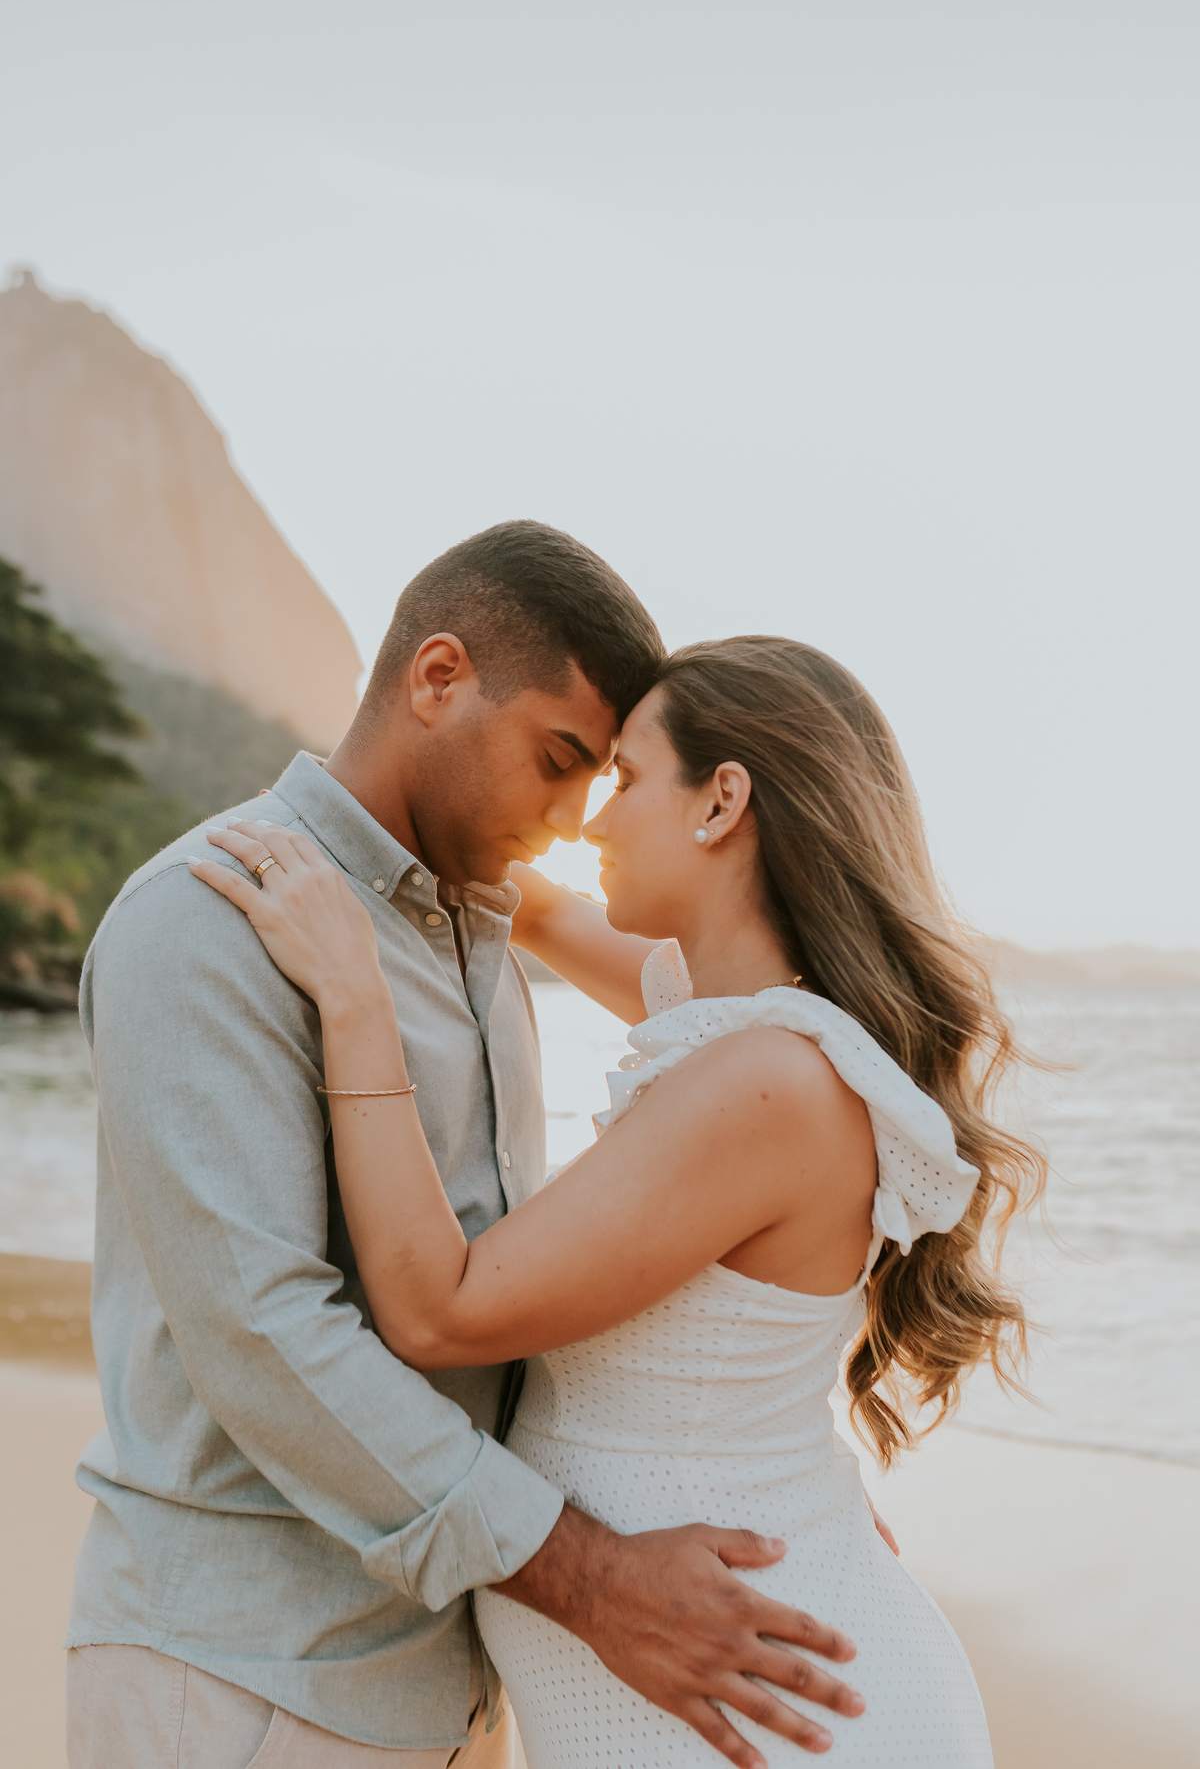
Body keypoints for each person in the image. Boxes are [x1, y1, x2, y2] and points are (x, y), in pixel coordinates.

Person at [66, 524, 866, 1769]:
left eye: (597, 782)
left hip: (456, 1689)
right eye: (557, 760)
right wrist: (592, 1580)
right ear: (437, 678)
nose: (563, 820)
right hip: (245, 1680)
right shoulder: (207, 919)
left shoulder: (481, 936)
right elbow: (267, 1338)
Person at [194, 633, 1045, 1768]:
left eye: (628, 779)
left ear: (722, 800)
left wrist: (356, 995)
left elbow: (439, 1307)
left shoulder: (769, 1081)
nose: (591, 818)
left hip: (766, 1714)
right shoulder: (730, 1023)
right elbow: (535, 906)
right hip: (732, 1679)